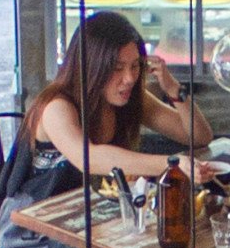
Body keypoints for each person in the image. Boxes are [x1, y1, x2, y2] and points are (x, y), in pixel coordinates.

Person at [14, 12, 203, 201]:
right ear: (90, 67)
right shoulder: (56, 107)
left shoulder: (127, 97)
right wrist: (172, 164)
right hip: (33, 219)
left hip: (90, 213)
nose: (129, 78)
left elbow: (198, 137)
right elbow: (88, 159)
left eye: (135, 66)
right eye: (117, 68)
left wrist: (173, 89)